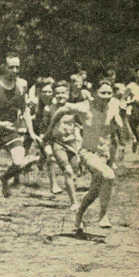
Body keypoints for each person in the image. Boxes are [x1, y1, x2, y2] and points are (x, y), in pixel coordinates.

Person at [45, 79, 124, 231]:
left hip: (103, 154)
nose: (106, 96)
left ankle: (78, 216)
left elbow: (120, 126)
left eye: (109, 93)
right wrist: (49, 131)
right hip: (87, 152)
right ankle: (103, 215)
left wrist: (121, 122)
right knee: (109, 175)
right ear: (94, 93)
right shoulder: (84, 107)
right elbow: (62, 110)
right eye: (102, 93)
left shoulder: (114, 104)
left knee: (94, 191)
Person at [0, 54, 40, 219]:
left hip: (10, 130)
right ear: (4, 67)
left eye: (18, 67)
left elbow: (24, 109)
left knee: (19, 161)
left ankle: (5, 178)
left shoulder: (22, 84)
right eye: (11, 67)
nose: (15, 70)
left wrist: (31, 132)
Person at [43, 81, 81, 209]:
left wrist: (79, 134)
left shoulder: (74, 108)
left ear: (68, 94)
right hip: (57, 143)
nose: (60, 95)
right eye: (57, 93)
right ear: (54, 94)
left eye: (63, 93)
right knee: (68, 171)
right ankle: (74, 202)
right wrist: (46, 143)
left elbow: (81, 124)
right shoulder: (49, 109)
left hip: (72, 143)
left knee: (74, 170)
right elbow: (45, 127)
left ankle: (72, 191)